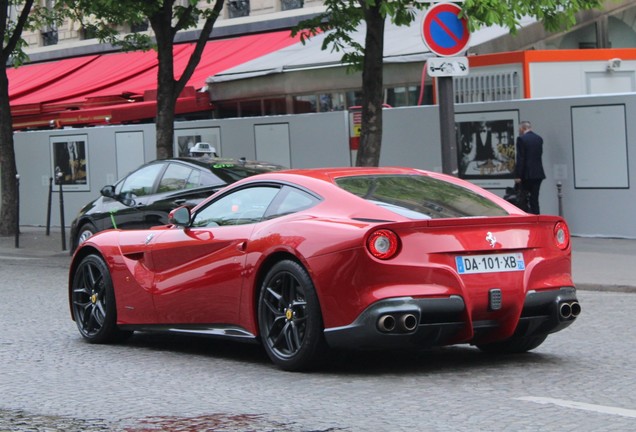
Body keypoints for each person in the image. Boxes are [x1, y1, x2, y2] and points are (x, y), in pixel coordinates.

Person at [515, 121, 546, 214]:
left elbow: (521, 158)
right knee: (535, 199)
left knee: (523, 199)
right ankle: (537, 217)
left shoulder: (521, 139)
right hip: (538, 173)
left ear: (522, 128)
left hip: (527, 174)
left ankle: (526, 219)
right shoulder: (539, 139)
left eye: (519, 129)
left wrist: (518, 175)